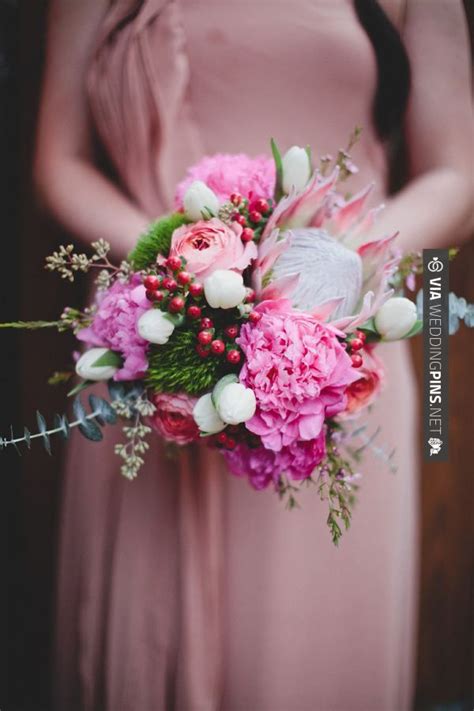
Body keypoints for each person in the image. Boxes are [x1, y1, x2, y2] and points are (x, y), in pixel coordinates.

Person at [35, 1, 473, 709]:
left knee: (303, 654)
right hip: (154, 341)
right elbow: (56, 161)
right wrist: (185, 277)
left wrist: (329, 263)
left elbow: (460, 175)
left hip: (329, 357)